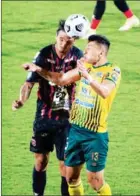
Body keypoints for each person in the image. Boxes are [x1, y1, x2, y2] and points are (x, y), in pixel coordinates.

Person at [23, 34, 121, 195]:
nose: (84, 51)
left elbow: (105, 92)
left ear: (101, 53)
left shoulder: (113, 70)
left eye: (89, 48)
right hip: (75, 131)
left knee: (95, 181)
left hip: (95, 134)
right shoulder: (85, 67)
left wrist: (87, 76)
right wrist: (38, 69)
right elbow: (61, 79)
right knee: (71, 179)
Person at [12, 20, 83, 196]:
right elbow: (28, 84)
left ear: (74, 40)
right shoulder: (44, 54)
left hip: (67, 117)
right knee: (40, 161)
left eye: (68, 40)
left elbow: (64, 78)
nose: (64, 43)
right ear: (56, 37)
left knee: (65, 165)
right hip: (44, 116)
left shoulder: (78, 56)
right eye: (61, 39)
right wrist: (21, 101)